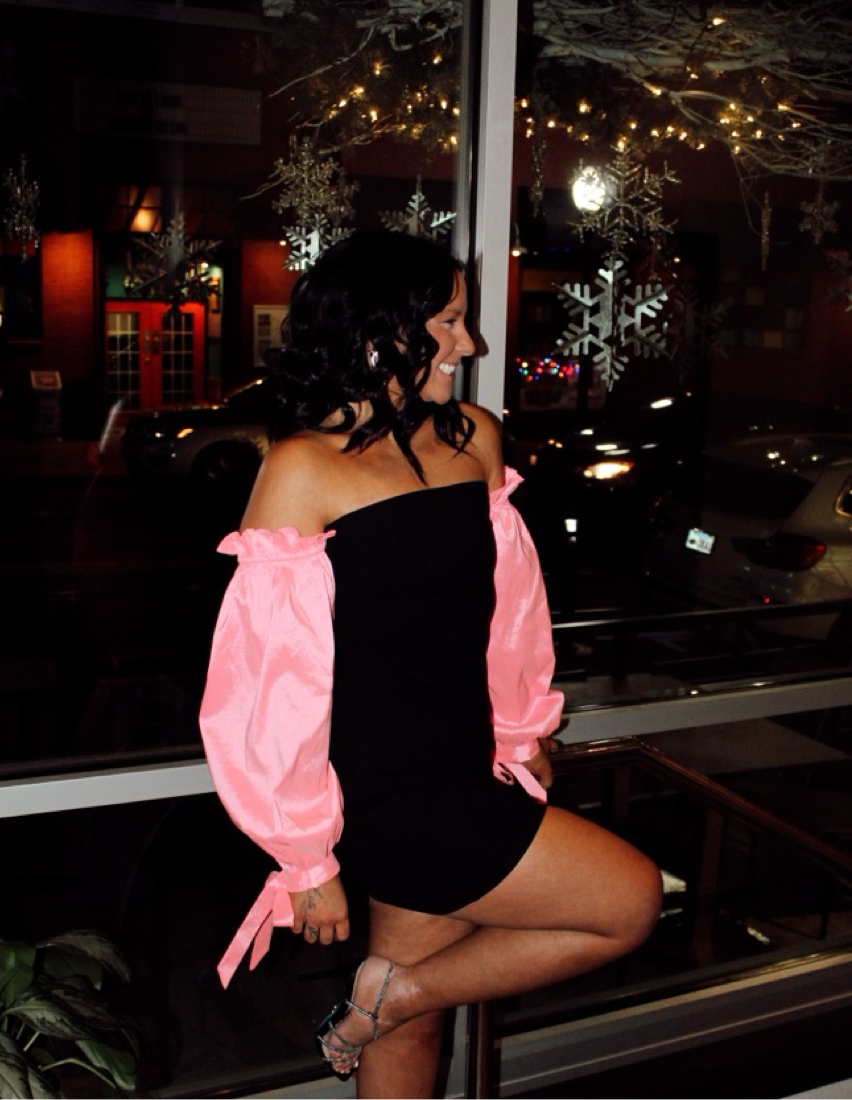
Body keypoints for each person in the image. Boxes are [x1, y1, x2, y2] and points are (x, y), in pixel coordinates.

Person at [199, 229, 663, 1099]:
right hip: (382, 793)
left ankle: (391, 999)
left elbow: (507, 610)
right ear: (380, 333)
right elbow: (267, 686)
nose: (469, 343)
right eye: (447, 322)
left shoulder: (475, 437)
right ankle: (393, 993)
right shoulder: (301, 468)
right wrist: (305, 858)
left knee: (412, 1035)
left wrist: (518, 731)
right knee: (627, 900)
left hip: (460, 762)